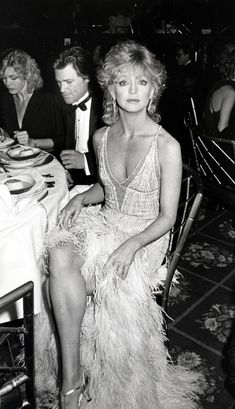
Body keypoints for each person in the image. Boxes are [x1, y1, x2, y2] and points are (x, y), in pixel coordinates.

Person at [41, 40, 199, 409]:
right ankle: (72, 379)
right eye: (123, 82)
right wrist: (82, 197)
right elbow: (107, 186)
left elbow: (168, 217)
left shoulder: (167, 146)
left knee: (72, 281)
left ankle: (83, 379)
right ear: (110, 87)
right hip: (109, 220)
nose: (133, 91)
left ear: (154, 89)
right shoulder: (101, 136)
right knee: (59, 253)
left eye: (142, 82)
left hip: (145, 236)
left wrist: (130, 246)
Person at [0, 49, 64, 156]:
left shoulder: (48, 100)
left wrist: (33, 142)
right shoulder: (6, 99)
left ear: (28, 74)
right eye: (4, 78)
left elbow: (60, 140)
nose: (7, 83)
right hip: (16, 159)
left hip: (44, 160)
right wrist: (2, 133)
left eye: (13, 78)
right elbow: (9, 134)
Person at [54, 46, 103, 186]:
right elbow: (62, 145)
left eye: (69, 82)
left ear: (87, 78)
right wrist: (65, 171)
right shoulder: (65, 106)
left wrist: (86, 162)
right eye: (59, 82)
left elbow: (119, 156)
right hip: (76, 180)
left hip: (100, 185)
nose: (62, 90)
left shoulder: (105, 109)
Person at [201, 44, 235, 139]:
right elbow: (222, 129)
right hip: (220, 147)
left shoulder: (220, 84)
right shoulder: (230, 92)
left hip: (210, 141)